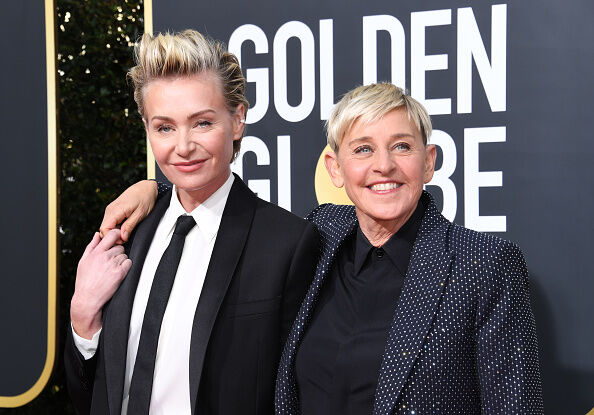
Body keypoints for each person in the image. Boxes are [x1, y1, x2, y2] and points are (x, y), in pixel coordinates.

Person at [102, 83, 543, 414]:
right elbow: (229, 204)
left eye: (401, 147)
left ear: (429, 161)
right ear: (335, 168)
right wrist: (155, 190)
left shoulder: (484, 265)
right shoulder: (321, 234)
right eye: (363, 149)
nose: (383, 166)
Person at [64, 29, 319, 415]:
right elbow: (90, 394)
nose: (182, 147)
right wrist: (82, 320)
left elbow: (299, 393)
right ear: (147, 129)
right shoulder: (127, 232)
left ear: (237, 120)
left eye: (201, 123)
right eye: (164, 127)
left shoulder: (286, 242)